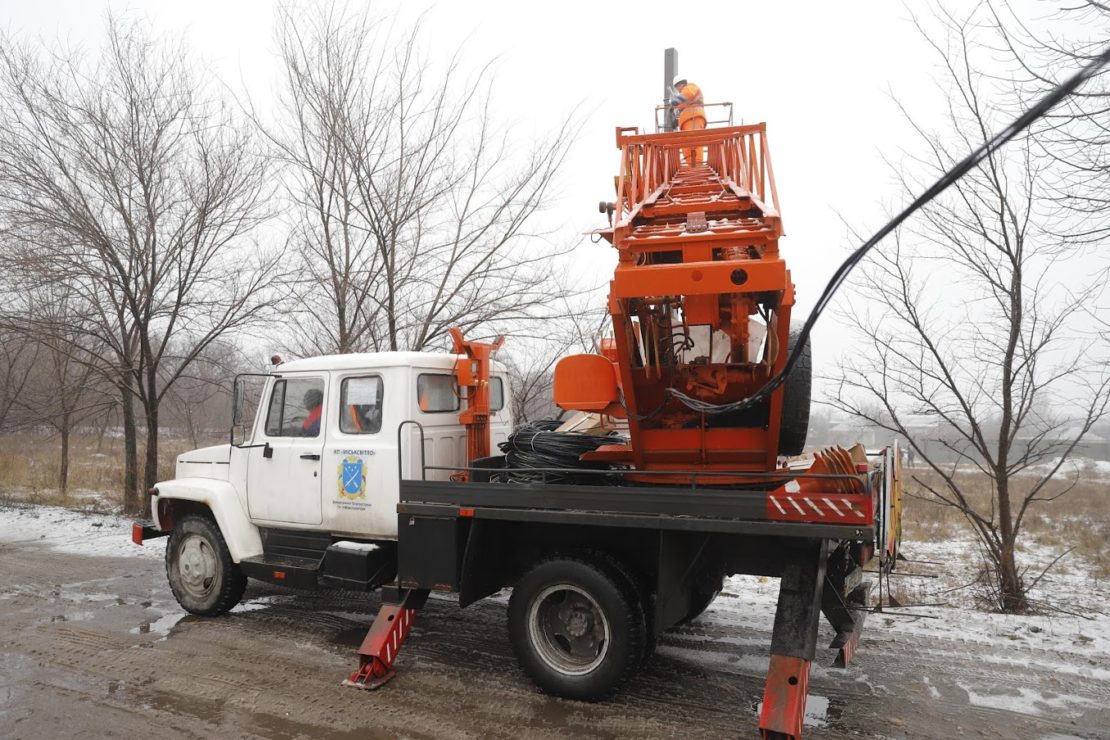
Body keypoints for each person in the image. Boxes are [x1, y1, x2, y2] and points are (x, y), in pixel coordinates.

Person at [670, 76, 706, 165]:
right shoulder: (683, 96)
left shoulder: (690, 87)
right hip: (686, 121)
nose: (678, 90)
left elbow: (686, 94)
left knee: (695, 141)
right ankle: (691, 164)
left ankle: (697, 164)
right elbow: (683, 108)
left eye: (677, 87)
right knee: (686, 144)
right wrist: (676, 120)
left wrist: (675, 102)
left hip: (694, 117)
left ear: (681, 84)